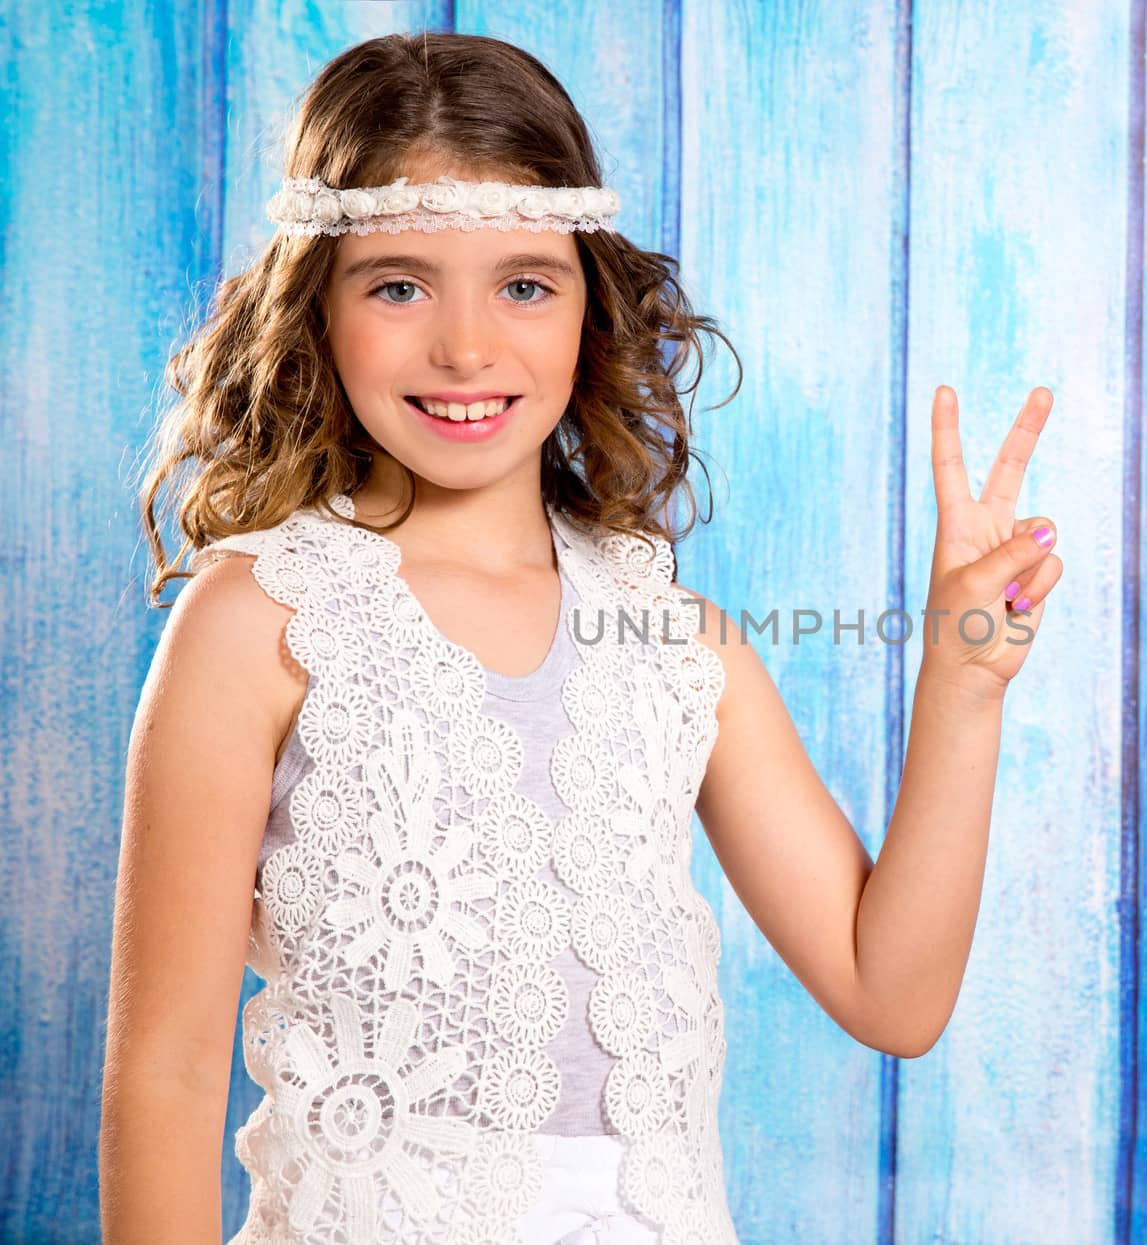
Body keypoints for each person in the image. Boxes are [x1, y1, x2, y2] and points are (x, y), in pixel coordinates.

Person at [98, 30, 1061, 1245]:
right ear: (316, 312)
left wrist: (963, 683)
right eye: (398, 284)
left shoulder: (671, 643)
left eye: (523, 284)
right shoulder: (260, 624)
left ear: (589, 308)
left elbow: (893, 992)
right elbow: (166, 1075)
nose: (465, 347)